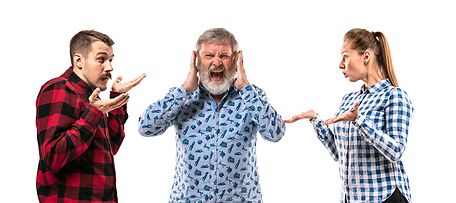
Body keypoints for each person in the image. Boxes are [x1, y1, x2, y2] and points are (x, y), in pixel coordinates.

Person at [138, 28, 285, 202]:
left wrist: (246, 88)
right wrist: (184, 89)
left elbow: (276, 134)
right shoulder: (181, 97)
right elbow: (145, 128)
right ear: (197, 60)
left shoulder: (252, 96)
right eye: (209, 56)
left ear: (236, 59)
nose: (216, 62)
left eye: (224, 55)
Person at [283, 28, 413, 203]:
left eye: (345, 56)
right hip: (351, 198)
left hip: (385, 197)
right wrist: (315, 119)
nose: (340, 64)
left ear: (366, 57)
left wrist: (359, 121)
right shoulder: (349, 100)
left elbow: (396, 151)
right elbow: (338, 152)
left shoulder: (394, 96)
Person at [35, 30, 146, 203]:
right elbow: (53, 157)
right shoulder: (59, 88)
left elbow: (112, 146)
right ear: (79, 61)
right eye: (101, 59)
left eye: (111, 60)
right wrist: (95, 113)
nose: (109, 67)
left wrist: (116, 99)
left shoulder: (91, 98)